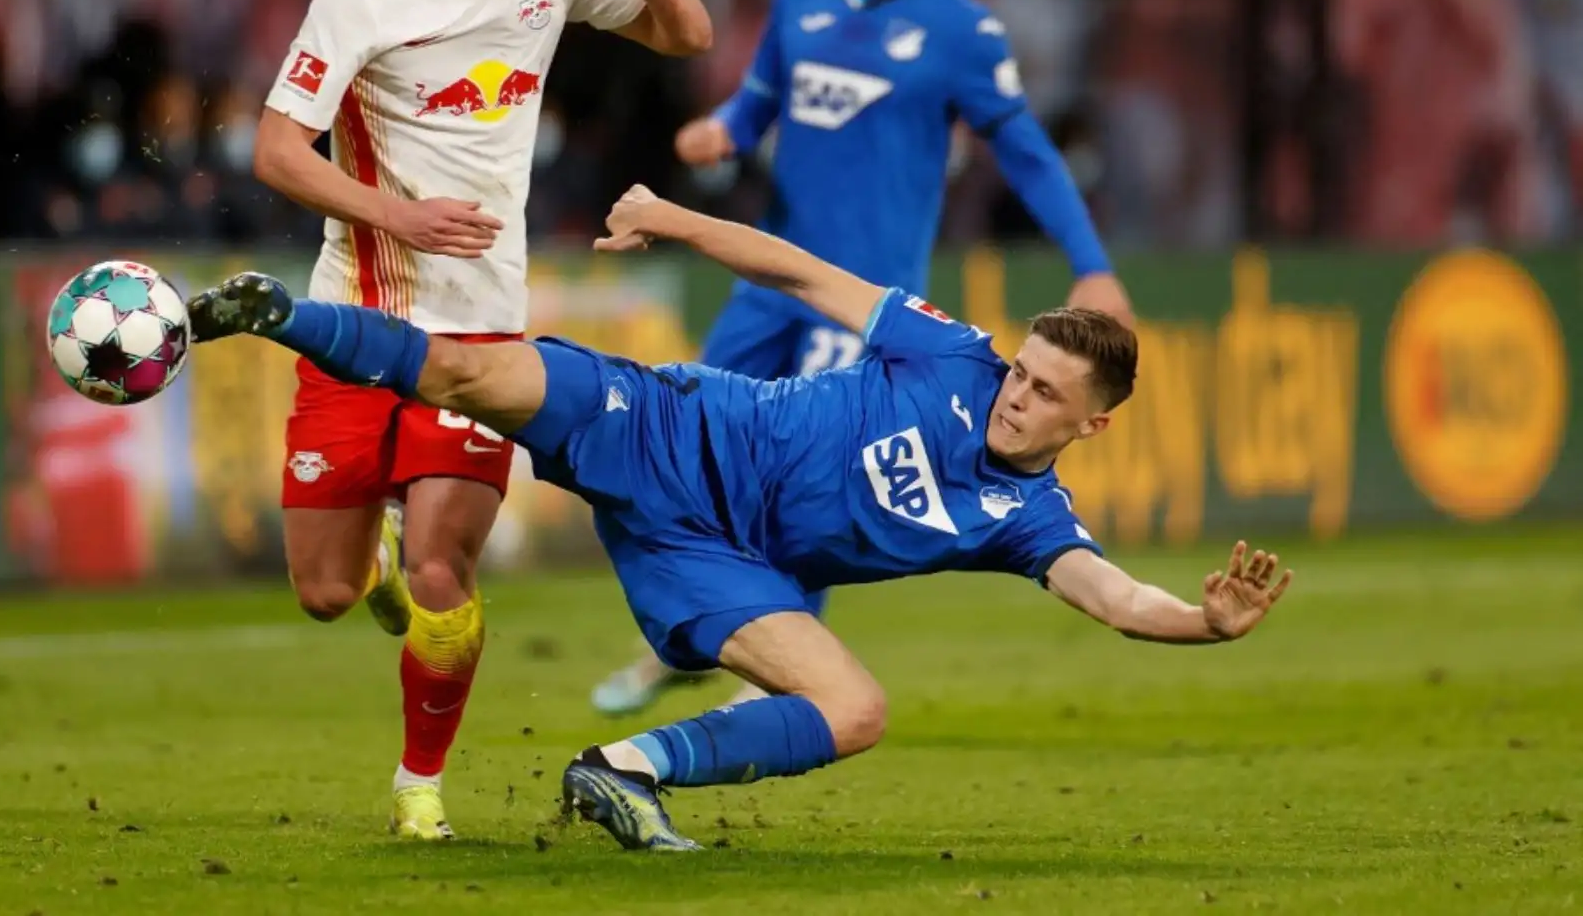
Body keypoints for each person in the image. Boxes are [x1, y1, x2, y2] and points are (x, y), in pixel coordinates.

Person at [183, 185, 1293, 853]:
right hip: (676, 425)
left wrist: (1207, 622)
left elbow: (1116, 596)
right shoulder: (953, 351)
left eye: (1047, 394)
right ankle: (280, 313)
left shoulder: (1029, 518)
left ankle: (623, 768)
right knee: (476, 376)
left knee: (856, 709)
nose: (1018, 394)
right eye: (1023, 370)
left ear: (1092, 425)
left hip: (714, 558)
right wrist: (669, 218)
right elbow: (801, 273)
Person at [247, 0, 712, 840]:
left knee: (444, 566)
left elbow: (685, 37)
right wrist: (395, 215)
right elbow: (276, 150)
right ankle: (369, 558)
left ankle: (419, 785)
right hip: (359, 320)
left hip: (484, 330)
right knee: (325, 591)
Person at [591, 0, 1136, 716]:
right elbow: (761, 99)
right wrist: (725, 128)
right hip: (770, 281)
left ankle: (769, 680)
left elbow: (1025, 150)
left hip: (865, 307)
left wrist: (1093, 264)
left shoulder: (959, 29)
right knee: (684, 435)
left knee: (810, 478)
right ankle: (696, 629)